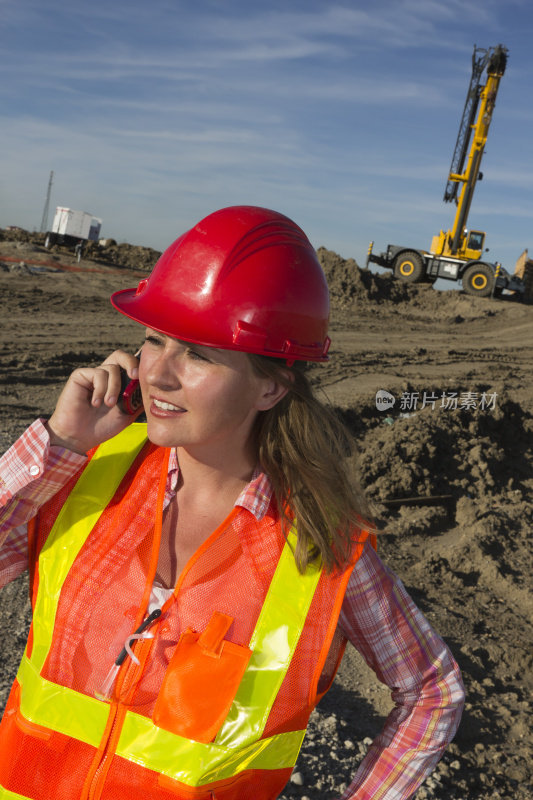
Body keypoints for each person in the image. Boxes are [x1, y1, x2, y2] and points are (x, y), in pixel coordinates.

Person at [0, 206, 464, 800]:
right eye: (153, 339)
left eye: (198, 353)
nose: (159, 373)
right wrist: (61, 443)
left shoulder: (319, 547)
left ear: (270, 385)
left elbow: (432, 691)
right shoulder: (87, 472)